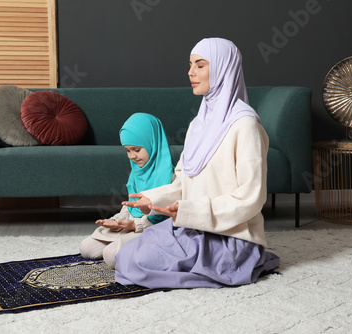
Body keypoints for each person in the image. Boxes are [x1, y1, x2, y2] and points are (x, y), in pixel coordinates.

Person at [115, 38, 280, 288]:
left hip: (230, 237)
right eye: (190, 64)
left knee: (137, 264)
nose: (190, 72)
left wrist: (188, 211)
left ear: (225, 68)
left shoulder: (245, 126)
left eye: (200, 65)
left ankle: (242, 263)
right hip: (192, 226)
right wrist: (154, 199)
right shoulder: (198, 124)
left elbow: (250, 198)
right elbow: (184, 180)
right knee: (124, 256)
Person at [80, 113, 174, 268]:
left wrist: (134, 226)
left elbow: (165, 218)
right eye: (128, 150)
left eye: (136, 149)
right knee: (86, 248)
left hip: (154, 230)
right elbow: (130, 206)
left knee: (111, 255)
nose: (132, 156)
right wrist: (117, 221)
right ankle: (126, 245)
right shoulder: (137, 172)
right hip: (132, 226)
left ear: (152, 142)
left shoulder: (171, 176)